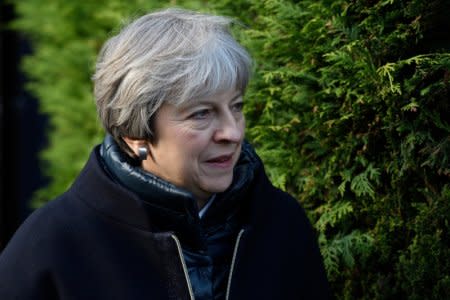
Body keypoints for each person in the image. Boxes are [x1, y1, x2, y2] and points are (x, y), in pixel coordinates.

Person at [0, 8, 330, 300]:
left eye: (237, 107)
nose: (232, 132)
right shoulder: (50, 247)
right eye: (201, 113)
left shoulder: (281, 223)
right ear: (135, 131)